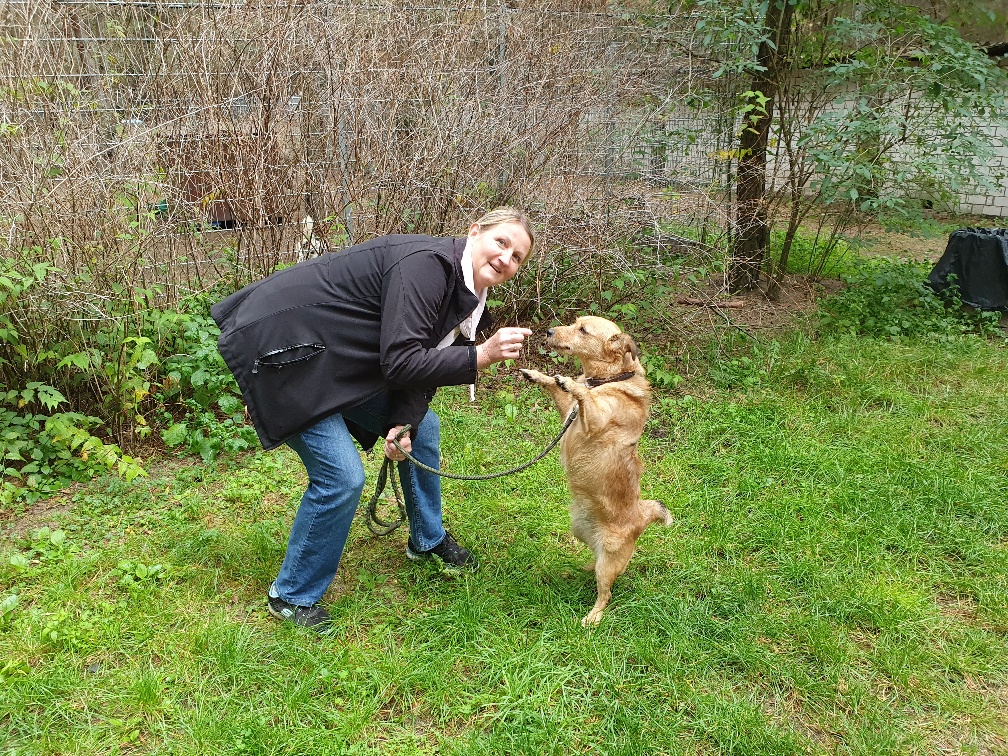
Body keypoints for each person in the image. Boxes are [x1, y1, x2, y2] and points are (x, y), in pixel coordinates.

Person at [211, 207, 535, 630]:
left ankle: (427, 540)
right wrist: (481, 355)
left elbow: (422, 361)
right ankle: (291, 595)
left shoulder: (466, 294)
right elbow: (402, 361)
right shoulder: (427, 267)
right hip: (287, 353)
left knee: (424, 427)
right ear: (475, 232)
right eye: (501, 242)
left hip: (335, 361)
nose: (506, 258)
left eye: (517, 257)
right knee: (342, 477)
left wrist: (403, 422)